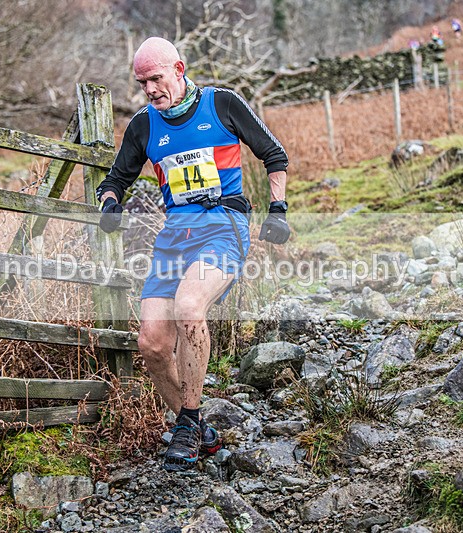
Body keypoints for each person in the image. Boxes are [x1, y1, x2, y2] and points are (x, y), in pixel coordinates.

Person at [96, 37, 290, 472]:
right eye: (142, 82)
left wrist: (277, 208)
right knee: (151, 344)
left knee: (189, 308)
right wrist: (109, 202)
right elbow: (115, 180)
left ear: (179, 69)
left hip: (224, 225)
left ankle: (185, 421)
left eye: (156, 78)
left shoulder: (222, 104)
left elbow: (274, 155)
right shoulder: (143, 126)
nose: (149, 89)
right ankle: (195, 424)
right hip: (174, 235)